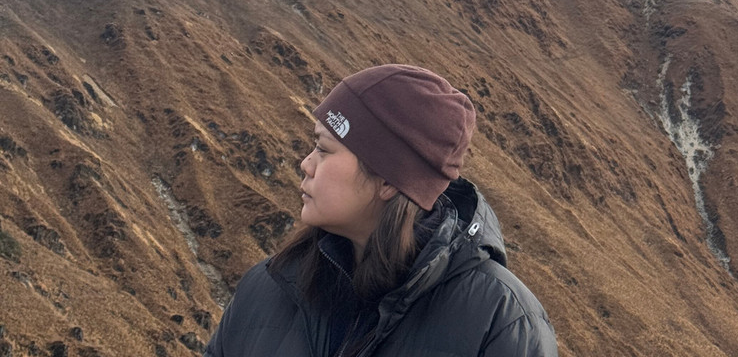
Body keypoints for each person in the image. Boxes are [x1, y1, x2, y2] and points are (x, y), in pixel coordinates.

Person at [204, 64, 558, 356]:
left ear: (389, 180)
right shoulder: (266, 288)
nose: (306, 163)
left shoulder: (503, 321)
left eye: (324, 149)